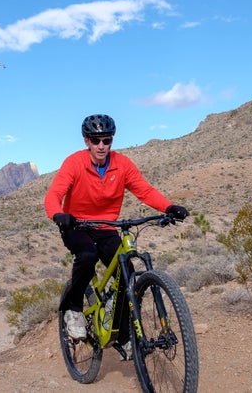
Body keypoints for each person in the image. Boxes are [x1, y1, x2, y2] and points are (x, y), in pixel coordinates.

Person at [44, 114, 189, 346]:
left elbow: (145, 190)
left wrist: (168, 206)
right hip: (76, 226)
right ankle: (73, 309)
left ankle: (122, 335)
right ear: (86, 141)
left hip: (106, 227)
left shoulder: (122, 165)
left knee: (127, 275)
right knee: (88, 255)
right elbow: (54, 194)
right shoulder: (74, 163)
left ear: (112, 140)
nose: (101, 146)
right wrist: (58, 214)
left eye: (106, 140)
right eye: (95, 140)